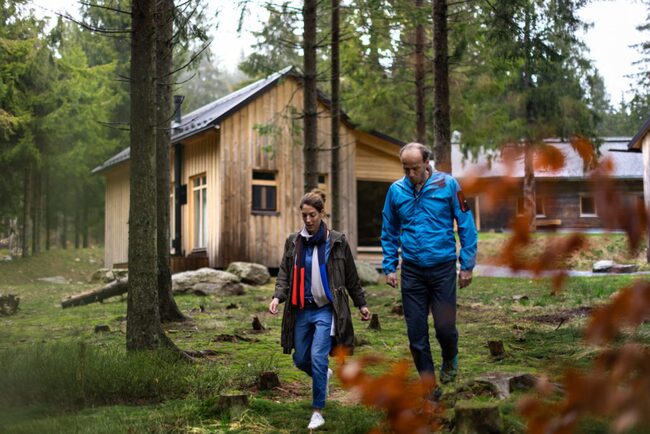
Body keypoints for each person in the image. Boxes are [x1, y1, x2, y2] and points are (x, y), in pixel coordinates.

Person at [269, 189, 371, 430]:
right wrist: (277, 297)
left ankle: (317, 411)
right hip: (301, 309)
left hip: (326, 309)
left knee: (317, 356)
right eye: (304, 216)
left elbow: (350, 277)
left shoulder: (336, 241)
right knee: (301, 358)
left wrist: (362, 303)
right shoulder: (294, 241)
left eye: (312, 215)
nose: (307, 220)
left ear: (321, 213)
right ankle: (321, 374)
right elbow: (284, 273)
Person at [381, 142, 477, 388]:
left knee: (445, 327)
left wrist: (467, 265)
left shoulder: (448, 185)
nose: (411, 174)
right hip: (412, 270)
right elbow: (389, 229)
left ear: (426, 163)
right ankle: (428, 384)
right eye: (406, 169)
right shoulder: (396, 191)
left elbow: (466, 224)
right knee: (416, 334)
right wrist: (390, 266)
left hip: (443, 267)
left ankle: (449, 357)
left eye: (415, 168)